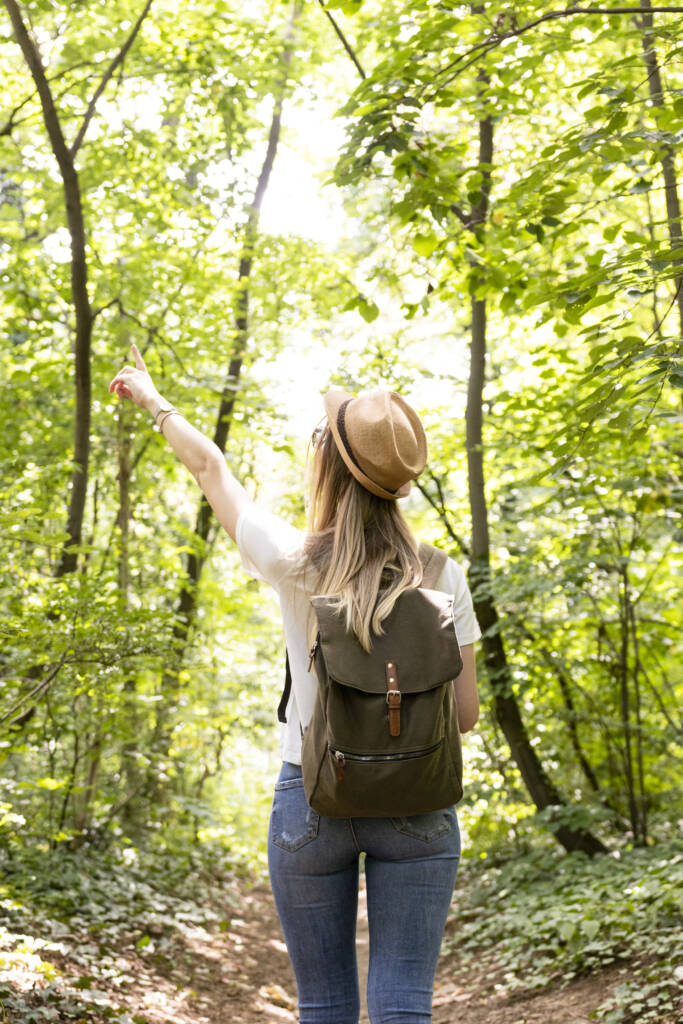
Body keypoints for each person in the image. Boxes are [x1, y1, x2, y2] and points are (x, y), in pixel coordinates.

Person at [109, 344, 481, 1024]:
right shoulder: (441, 575)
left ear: (329, 470)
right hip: (419, 807)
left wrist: (151, 396)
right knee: (403, 1003)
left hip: (311, 800)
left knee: (325, 1006)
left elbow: (209, 467)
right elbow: (463, 717)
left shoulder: (295, 562)